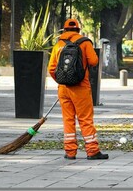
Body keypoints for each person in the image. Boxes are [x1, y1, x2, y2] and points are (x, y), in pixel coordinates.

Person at [48, 18, 109, 160]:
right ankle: (92, 150)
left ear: (64, 30)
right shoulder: (85, 42)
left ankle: (70, 152)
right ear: (78, 30)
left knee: (68, 119)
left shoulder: (58, 44)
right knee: (85, 119)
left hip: (63, 89)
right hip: (81, 88)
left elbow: (51, 68)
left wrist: (64, 81)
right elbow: (94, 61)